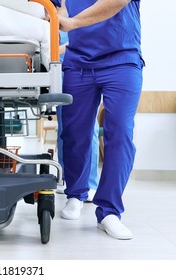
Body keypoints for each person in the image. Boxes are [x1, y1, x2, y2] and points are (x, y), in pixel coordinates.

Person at [52, 0, 144, 240]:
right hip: (78, 63)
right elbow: (50, 9)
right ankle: (76, 194)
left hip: (122, 60)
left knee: (120, 133)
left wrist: (72, 22)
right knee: (74, 133)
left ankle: (109, 211)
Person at [55, 17, 99, 203]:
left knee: (89, 127)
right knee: (65, 125)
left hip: (82, 66)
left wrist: (59, 49)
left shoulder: (83, 11)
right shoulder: (49, 12)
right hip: (59, 69)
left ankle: (90, 183)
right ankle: (70, 179)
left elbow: (89, 36)